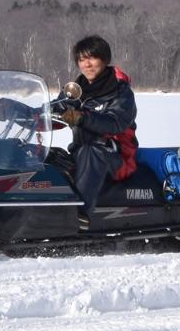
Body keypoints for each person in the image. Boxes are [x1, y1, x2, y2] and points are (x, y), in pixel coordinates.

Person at [56, 35, 139, 224]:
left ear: (104, 59)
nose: (87, 64)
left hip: (116, 157)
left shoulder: (121, 92)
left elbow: (113, 122)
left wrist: (78, 117)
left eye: (92, 58)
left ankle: (79, 215)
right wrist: (20, 112)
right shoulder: (74, 91)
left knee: (91, 151)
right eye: (82, 60)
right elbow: (54, 111)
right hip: (80, 153)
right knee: (49, 158)